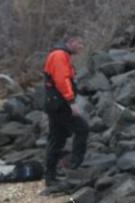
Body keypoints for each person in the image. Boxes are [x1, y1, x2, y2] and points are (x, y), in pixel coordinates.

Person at [43, 35, 89, 186]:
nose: (82, 47)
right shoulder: (59, 55)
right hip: (60, 104)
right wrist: (71, 102)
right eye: (80, 43)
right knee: (82, 128)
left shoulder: (62, 55)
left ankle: (50, 177)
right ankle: (73, 164)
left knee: (57, 138)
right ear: (70, 42)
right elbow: (62, 80)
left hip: (55, 103)